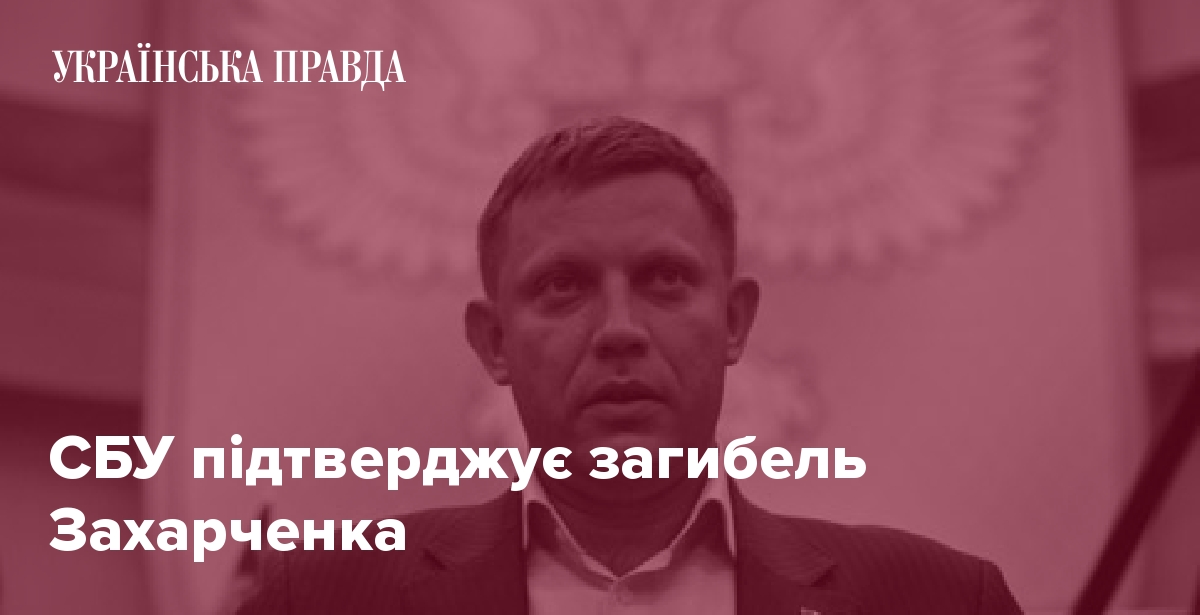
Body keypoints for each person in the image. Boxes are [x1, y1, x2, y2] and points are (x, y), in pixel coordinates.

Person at [237, 117, 1023, 614]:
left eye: (665, 279)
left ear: (734, 321)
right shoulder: (319, 600)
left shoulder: (943, 602)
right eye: (562, 286)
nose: (619, 331)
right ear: (494, 343)